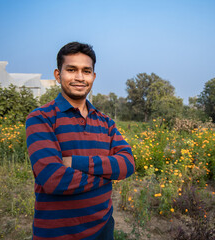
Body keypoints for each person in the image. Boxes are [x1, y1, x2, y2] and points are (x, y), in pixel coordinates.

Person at [26, 42, 135, 240]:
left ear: (93, 77)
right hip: (58, 233)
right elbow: (53, 180)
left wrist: (75, 162)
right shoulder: (41, 118)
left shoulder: (106, 122)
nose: (79, 77)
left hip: (103, 227)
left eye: (86, 71)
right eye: (71, 70)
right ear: (58, 75)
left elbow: (128, 163)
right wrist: (108, 176)